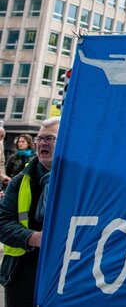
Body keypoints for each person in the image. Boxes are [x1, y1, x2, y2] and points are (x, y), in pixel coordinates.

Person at [0, 117, 60, 307]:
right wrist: (33, 238)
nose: (42, 142)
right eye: (40, 138)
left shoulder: (82, 181)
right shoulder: (20, 180)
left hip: (64, 270)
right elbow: (2, 222)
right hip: (21, 271)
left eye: (50, 138)